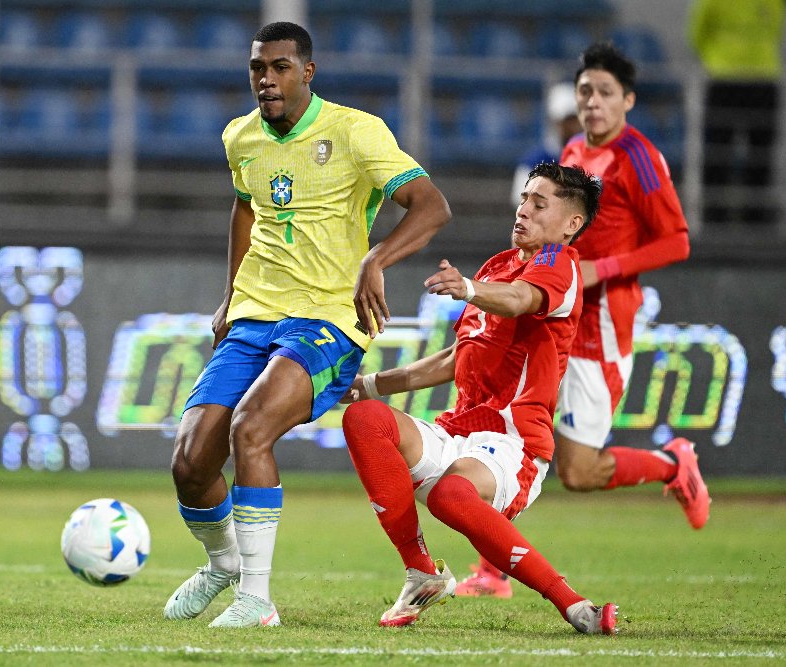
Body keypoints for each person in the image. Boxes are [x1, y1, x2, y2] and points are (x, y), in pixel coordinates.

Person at [163, 21, 451, 628]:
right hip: (255, 313)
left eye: (280, 67)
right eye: (257, 69)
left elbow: (432, 206)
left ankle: (257, 600)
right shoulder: (240, 138)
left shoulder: (354, 131)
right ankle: (224, 566)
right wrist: (229, 295)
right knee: (190, 465)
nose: (266, 79)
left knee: (253, 426)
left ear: (307, 72)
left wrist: (376, 259)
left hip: (328, 318)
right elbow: (246, 206)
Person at [457, 42, 708, 599]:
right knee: (512, 426)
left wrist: (600, 270)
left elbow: (677, 241)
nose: (593, 103)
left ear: (629, 101)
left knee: (577, 471)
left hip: (602, 327)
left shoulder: (639, 158)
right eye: (585, 91)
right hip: (551, 313)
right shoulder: (573, 147)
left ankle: (672, 465)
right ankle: (489, 571)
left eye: (605, 93)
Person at [342, 161, 618, 635]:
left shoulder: (559, 263)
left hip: (514, 443)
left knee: (450, 494)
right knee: (366, 420)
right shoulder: (498, 265)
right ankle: (422, 571)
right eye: (524, 198)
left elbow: (520, 300)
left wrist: (468, 287)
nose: (523, 210)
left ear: (572, 224)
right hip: (457, 430)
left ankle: (574, 604)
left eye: (539, 202)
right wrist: (368, 386)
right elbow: (457, 358)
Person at [688, 0, 786, 224]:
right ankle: (721, 213)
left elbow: (696, 35)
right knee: (724, 148)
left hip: (744, 76)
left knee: (756, 150)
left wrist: (718, 58)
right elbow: (696, 33)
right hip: (740, 76)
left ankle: (744, 213)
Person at [510, 82, 583, 205]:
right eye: (568, 120)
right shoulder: (533, 162)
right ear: (555, 122)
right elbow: (521, 202)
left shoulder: (596, 158)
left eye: (577, 119)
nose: (574, 126)